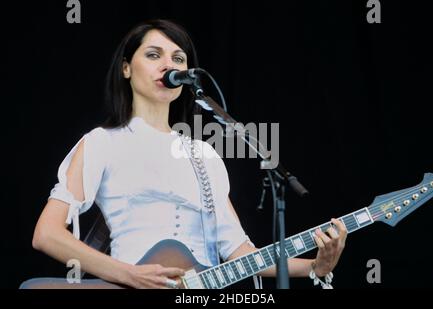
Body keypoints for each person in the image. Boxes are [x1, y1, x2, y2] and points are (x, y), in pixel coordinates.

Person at [29, 19, 347, 289]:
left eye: (179, 59)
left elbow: (239, 252)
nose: (169, 66)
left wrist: (313, 268)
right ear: (126, 68)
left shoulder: (204, 155)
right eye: (154, 55)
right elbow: (46, 234)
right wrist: (130, 274)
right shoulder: (102, 143)